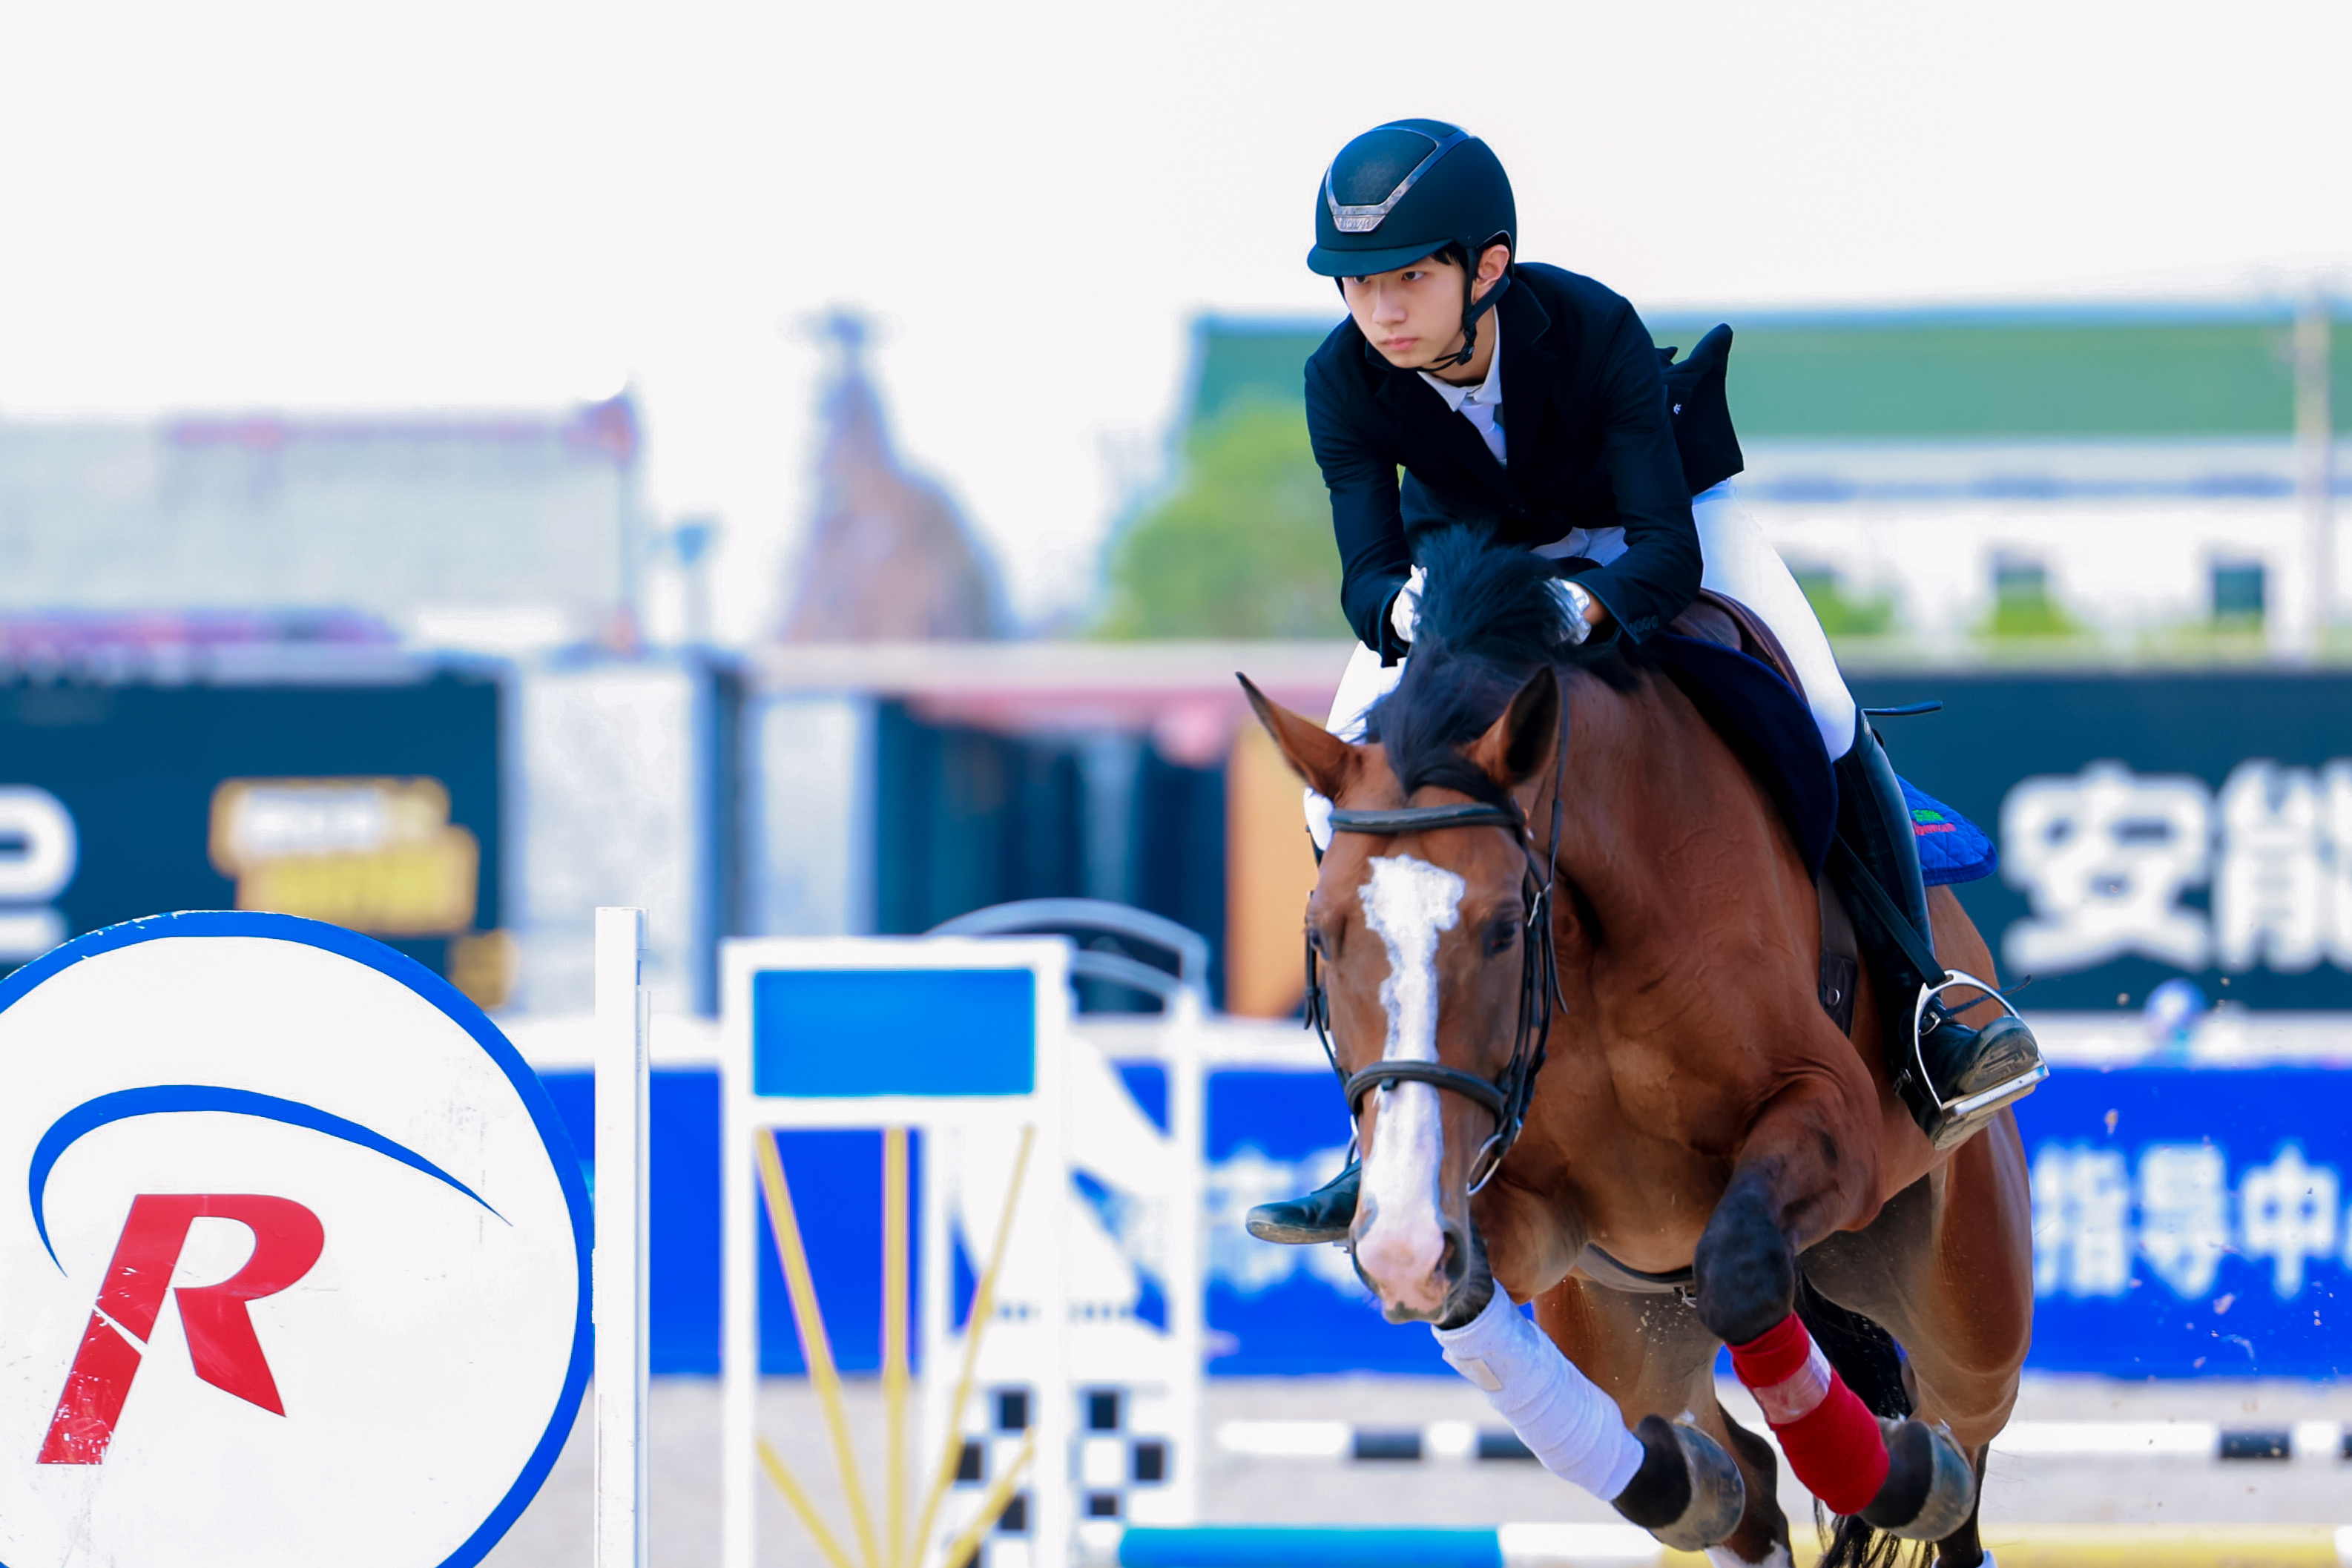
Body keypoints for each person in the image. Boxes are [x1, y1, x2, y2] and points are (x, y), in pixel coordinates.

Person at [1247, 119, 2044, 1246]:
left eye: (1409, 278)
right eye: (1359, 284)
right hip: (1474, 566)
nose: (1380, 312)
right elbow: (1368, 572)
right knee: (1334, 779)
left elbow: (1666, 553)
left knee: (1817, 701)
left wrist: (1583, 607)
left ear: (1487, 267)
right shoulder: (1343, 377)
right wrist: (1408, 611)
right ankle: (1368, 1131)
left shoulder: (1587, 327)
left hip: (1651, 530)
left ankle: (1923, 1009)